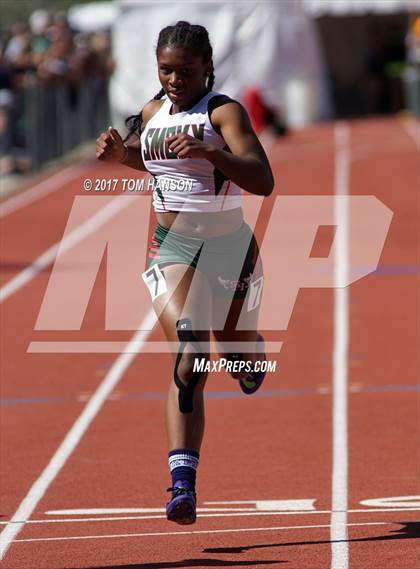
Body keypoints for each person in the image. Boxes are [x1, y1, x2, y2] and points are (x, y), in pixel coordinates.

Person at [96, 21, 274, 526]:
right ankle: (182, 485)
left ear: (207, 69)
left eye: (185, 71)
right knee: (191, 355)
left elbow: (263, 179)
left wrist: (214, 151)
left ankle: (249, 352)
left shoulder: (224, 112)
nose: (175, 79)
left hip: (230, 249)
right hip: (171, 248)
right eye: (166, 70)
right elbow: (157, 166)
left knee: (237, 355)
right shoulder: (152, 113)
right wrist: (122, 156)